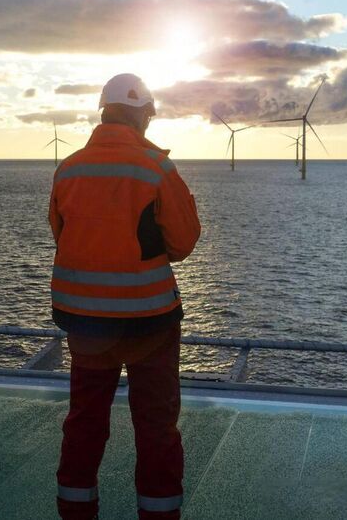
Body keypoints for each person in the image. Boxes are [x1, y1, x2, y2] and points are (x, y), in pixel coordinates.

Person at [49, 73, 201, 520]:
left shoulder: (69, 169)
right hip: (149, 322)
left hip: (85, 323)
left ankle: (76, 512)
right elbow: (184, 242)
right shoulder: (156, 169)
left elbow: (61, 233)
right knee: (155, 428)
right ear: (142, 115)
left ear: (104, 112)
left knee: (84, 423)